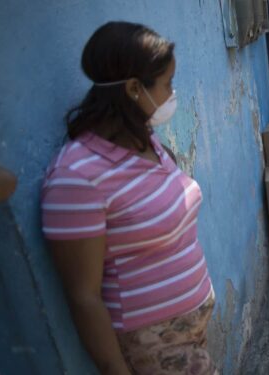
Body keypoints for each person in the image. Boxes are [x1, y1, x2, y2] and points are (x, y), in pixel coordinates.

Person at [41, 22, 215, 374]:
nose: (172, 95)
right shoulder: (77, 176)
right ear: (135, 89)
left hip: (188, 334)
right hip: (153, 345)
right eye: (166, 84)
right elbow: (83, 296)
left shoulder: (147, 141)